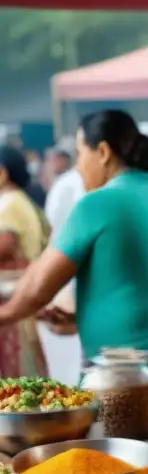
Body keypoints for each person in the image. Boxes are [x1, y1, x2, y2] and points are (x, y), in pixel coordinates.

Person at [0, 110, 148, 418]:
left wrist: (5, 314)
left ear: (104, 152)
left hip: (126, 382)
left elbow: (38, 289)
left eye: (81, 154)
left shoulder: (94, 204)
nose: (79, 166)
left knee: (133, 463)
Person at [0, 146, 49, 376]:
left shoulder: (9, 204)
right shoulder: (20, 201)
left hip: (10, 301)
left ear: (2, 173)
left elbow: (4, 246)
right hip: (20, 297)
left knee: (16, 380)